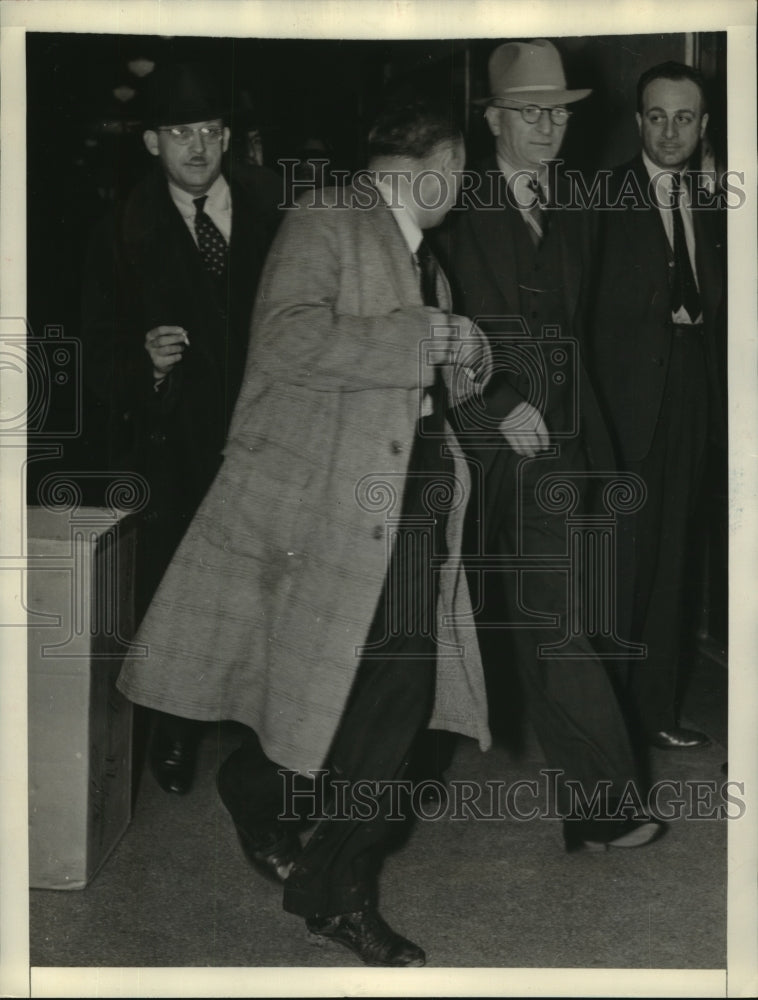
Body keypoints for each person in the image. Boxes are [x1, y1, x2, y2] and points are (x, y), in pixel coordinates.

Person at [118, 99, 498, 967]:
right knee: (357, 695)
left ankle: (309, 856)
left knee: (392, 701)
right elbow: (288, 341)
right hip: (338, 510)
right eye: (461, 171)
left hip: (412, 502)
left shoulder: (424, 255)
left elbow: (425, 374)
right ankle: (303, 844)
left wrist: (468, 356)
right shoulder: (328, 216)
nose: (463, 187)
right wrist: (425, 338)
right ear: (437, 165)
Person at [435, 38, 662, 849]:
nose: (546, 127)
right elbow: (436, 319)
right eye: (528, 112)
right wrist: (498, 400)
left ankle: (605, 805)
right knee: (425, 623)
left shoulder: (575, 200)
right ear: (492, 118)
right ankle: (320, 787)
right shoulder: (452, 199)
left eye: (557, 114)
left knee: (555, 617)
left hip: (557, 449)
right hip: (467, 441)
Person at [81, 61, 281, 794]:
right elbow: (93, 348)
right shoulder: (119, 231)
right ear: (151, 143)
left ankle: (271, 731)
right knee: (181, 589)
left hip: (270, 430)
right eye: (178, 133)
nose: (197, 147)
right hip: (180, 439)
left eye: (209, 131)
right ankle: (175, 728)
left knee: (272, 583)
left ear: (227, 136)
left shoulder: (275, 205)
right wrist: (146, 363)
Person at [588, 61, 725, 750]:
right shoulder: (600, 196)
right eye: (658, 117)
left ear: (703, 126)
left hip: (694, 392)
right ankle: (605, 725)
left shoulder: (718, 201)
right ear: (639, 121)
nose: (670, 132)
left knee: (675, 557)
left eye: (685, 118)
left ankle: (656, 713)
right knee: (620, 565)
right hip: (624, 404)